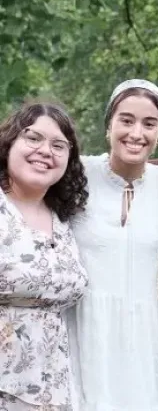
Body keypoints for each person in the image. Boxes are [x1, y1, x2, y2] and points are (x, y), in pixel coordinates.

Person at [69, 79, 158, 410]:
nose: (136, 133)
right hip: (83, 331)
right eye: (126, 120)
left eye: (149, 123)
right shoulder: (75, 173)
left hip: (142, 338)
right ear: (108, 126)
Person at [0, 102, 89, 410]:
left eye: (58, 145)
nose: (45, 150)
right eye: (33, 138)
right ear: (9, 144)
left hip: (54, 389)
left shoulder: (63, 219)